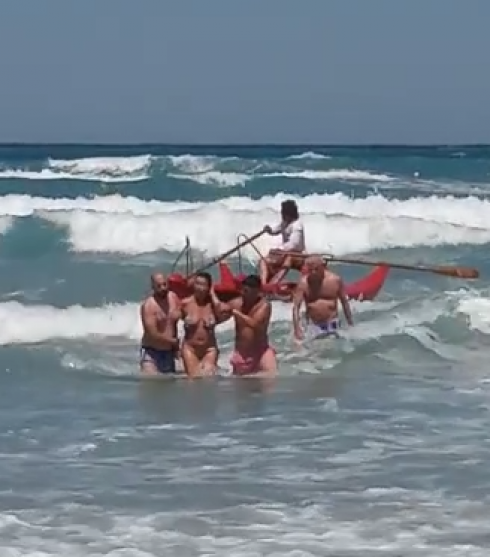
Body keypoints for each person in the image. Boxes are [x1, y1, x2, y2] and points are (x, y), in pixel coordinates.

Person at [222, 274, 277, 376]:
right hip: (242, 353)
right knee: (241, 389)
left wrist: (237, 313)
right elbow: (221, 311)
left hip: (261, 351)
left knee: (270, 381)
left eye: (246, 291)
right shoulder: (236, 303)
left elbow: (254, 324)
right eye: (242, 290)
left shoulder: (264, 305)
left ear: (257, 292)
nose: (243, 294)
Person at [292, 256, 354, 341]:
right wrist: (297, 329)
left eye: (316, 269)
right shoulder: (303, 283)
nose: (313, 272)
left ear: (322, 266)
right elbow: (296, 307)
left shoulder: (335, 280)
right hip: (313, 326)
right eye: (310, 270)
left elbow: (344, 302)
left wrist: (350, 323)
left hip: (332, 324)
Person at [180, 271, 227, 378]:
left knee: (208, 380)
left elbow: (222, 311)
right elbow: (171, 320)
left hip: (209, 349)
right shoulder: (185, 304)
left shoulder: (213, 305)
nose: (199, 288)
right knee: (193, 380)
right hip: (190, 348)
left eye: (203, 285)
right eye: (197, 284)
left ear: (209, 287)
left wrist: (213, 294)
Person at [140, 272, 181, 375]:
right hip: (151, 352)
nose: (163, 288)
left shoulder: (174, 298)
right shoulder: (149, 306)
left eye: (165, 284)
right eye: (159, 286)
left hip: (169, 352)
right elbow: (152, 333)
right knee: (151, 383)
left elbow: (176, 321)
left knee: (169, 386)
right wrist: (172, 341)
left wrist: (176, 348)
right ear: (153, 287)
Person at [260, 199, 306, 286]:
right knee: (264, 260)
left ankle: (274, 283)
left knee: (289, 259)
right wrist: (269, 230)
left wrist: (279, 249)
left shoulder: (297, 225)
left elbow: (294, 244)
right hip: (284, 253)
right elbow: (275, 230)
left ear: (289, 214)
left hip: (298, 255)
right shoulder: (285, 223)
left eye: (283, 213)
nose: (282, 215)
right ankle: (264, 284)